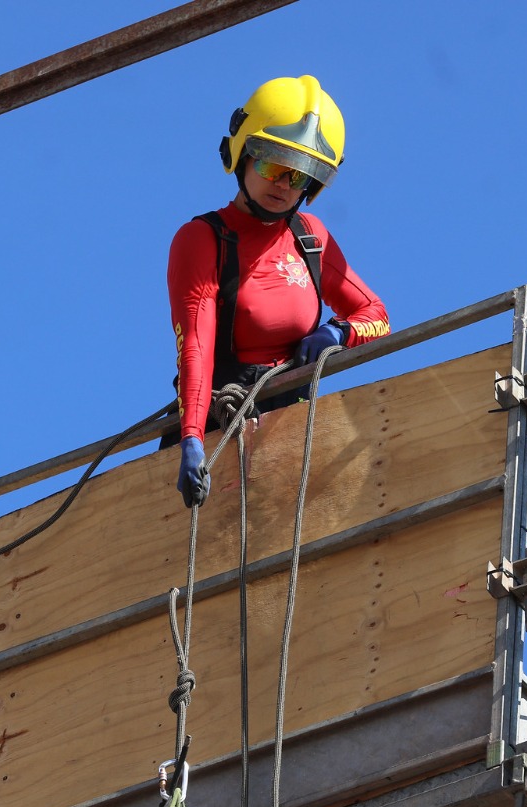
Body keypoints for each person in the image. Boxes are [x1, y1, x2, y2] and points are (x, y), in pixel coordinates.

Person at [167, 74, 389, 507]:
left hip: (295, 432)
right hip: (220, 430)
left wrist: (338, 333)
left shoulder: (310, 237)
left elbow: (376, 314)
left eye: (300, 175)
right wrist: (191, 439)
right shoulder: (201, 240)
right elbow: (195, 345)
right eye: (272, 165)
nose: (283, 184)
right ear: (244, 155)